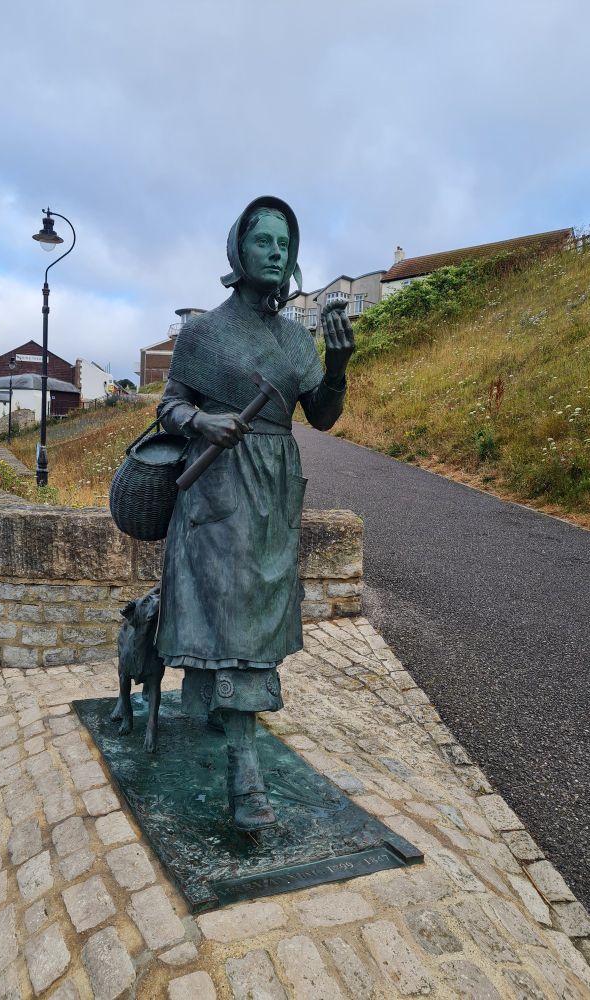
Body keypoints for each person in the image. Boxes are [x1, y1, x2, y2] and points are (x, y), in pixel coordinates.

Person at [156, 195, 354, 831]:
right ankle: (245, 774)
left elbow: (320, 417)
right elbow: (168, 406)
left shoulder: (297, 340)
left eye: (284, 243)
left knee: (256, 622)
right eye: (263, 240)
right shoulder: (205, 331)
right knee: (232, 621)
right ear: (238, 251)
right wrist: (201, 419)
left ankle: (221, 712)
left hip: (274, 492)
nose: (276, 252)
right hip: (215, 487)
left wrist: (340, 365)